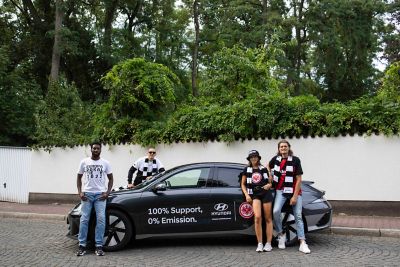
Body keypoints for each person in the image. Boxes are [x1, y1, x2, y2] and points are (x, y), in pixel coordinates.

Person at [268, 140, 311, 254]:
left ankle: (302, 242)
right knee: (276, 211)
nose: (283, 148)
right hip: (280, 191)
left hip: (294, 192)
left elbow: (299, 180)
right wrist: (270, 176)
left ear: (289, 148)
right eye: (281, 147)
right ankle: (281, 234)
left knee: (298, 216)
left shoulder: (295, 160)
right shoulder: (276, 159)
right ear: (279, 149)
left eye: (285, 146)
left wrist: (295, 196)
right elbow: (267, 166)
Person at [76, 142, 114, 257]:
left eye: (98, 148)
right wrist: (80, 192)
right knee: (84, 220)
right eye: (94, 148)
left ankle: (98, 246)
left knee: (101, 219)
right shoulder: (84, 162)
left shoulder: (105, 163)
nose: (96, 150)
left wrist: (107, 192)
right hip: (87, 195)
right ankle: (82, 246)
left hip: (100, 196)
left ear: (100, 150)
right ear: (91, 149)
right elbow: (79, 177)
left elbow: (111, 178)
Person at [241, 150, 274, 252]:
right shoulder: (247, 169)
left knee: (268, 218)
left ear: (258, 158)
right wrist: (246, 195)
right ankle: (260, 243)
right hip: (254, 195)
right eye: (252, 157)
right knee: (257, 218)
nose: (254, 158)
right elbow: (242, 184)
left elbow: (270, 182)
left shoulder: (263, 168)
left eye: (255, 157)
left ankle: (268, 243)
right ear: (249, 159)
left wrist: (269, 184)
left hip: (265, 193)